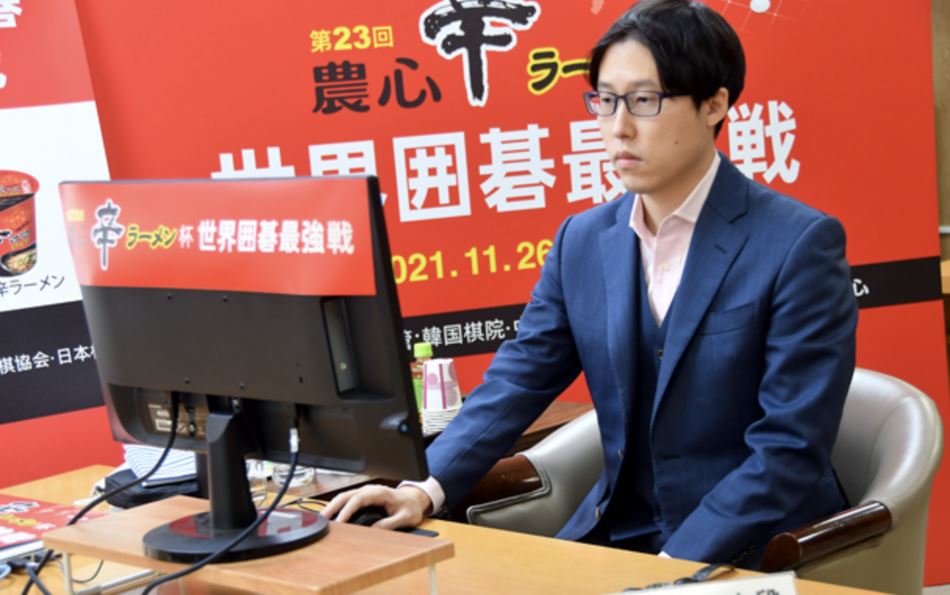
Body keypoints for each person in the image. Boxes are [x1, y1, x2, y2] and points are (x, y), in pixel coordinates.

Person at [326, 0, 857, 567]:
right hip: (619, 536)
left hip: (753, 549)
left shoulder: (798, 244)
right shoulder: (582, 240)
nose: (618, 127)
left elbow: (789, 448)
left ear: (714, 104)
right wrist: (423, 488)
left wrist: (671, 568)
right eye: (605, 101)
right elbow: (519, 377)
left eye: (645, 101)